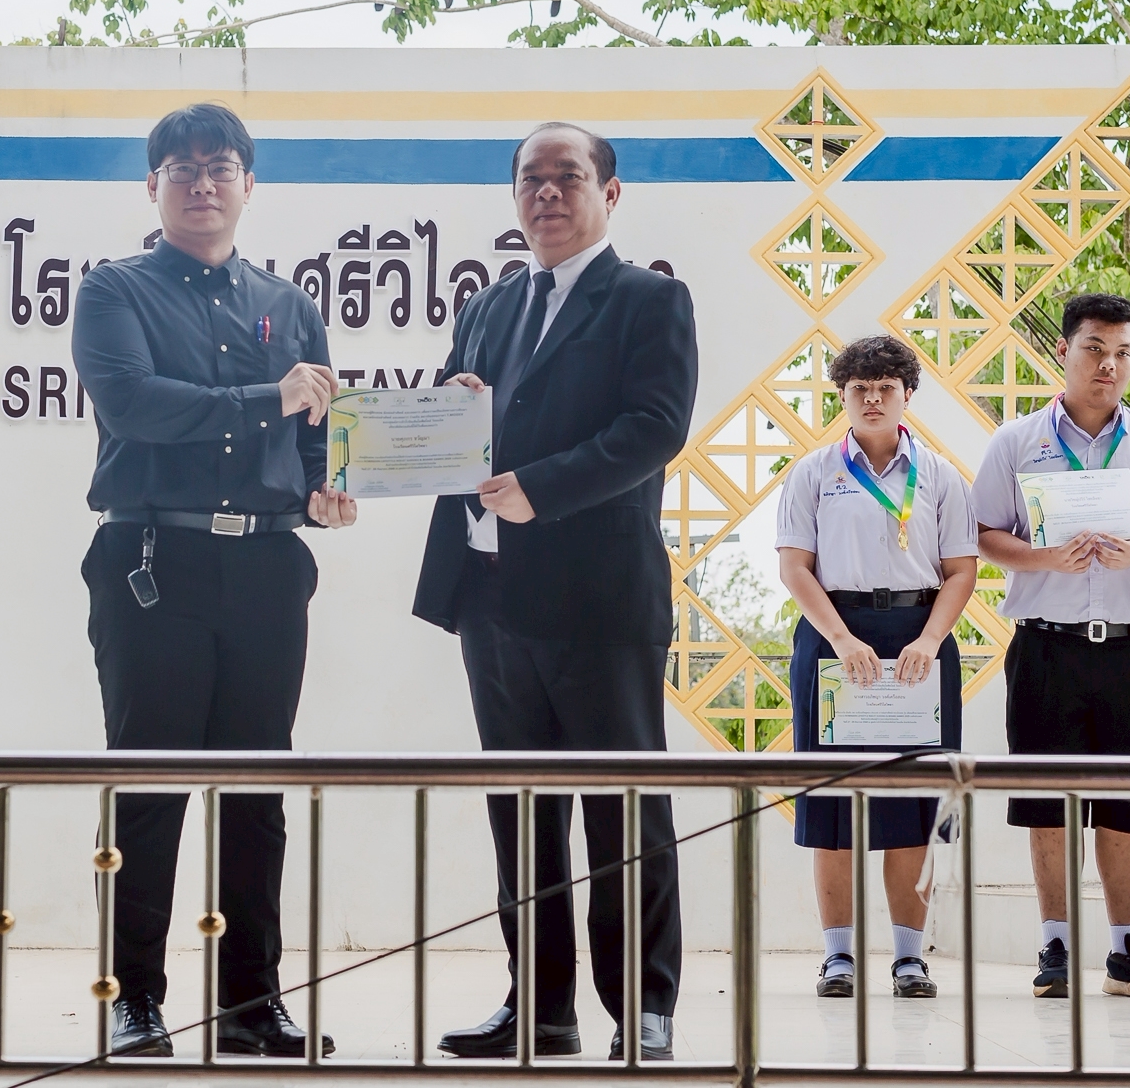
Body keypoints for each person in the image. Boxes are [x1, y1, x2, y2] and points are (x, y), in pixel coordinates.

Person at [71, 102, 357, 1059]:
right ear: (152, 185)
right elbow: (133, 403)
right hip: (154, 563)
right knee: (149, 785)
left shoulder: (291, 303)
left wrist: (325, 491)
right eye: (183, 168)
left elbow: (316, 434)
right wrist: (265, 396)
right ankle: (133, 999)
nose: (203, 183)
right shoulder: (113, 290)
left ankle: (249, 1004)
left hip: (269, 567)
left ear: (248, 183)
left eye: (221, 166)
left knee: (257, 788)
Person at [412, 122, 697, 1062]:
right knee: (522, 810)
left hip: (599, 600)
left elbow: (654, 426)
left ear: (609, 193)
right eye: (530, 179)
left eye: (567, 177)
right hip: (489, 597)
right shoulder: (488, 306)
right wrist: (449, 407)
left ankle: (643, 1009)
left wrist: (544, 487)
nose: (546, 194)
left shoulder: (651, 298)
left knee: (625, 808)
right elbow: (448, 430)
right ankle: (540, 1005)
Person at [972, 291, 1130, 999]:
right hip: (1047, 647)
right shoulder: (1016, 442)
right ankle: (1056, 942)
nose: (1110, 364)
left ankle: (1125, 947)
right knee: (1048, 802)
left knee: (1129, 800)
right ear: (1063, 351)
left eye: (1123, 352)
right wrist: (1046, 559)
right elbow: (985, 534)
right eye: (1095, 349)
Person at [775, 334, 979, 1001]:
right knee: (834, 803)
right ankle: (837, 957)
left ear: (906, 395)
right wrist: (839, 637)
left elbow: (961, 570)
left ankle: (910, 959)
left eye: (885, 387)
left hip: (920, 640)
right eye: (859, 388)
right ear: (842, 395)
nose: (871, 398)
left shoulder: (941, 476)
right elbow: (795, 567)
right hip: (836, 640)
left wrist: (930, 638)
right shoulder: (813, 473)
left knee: (913, 806)